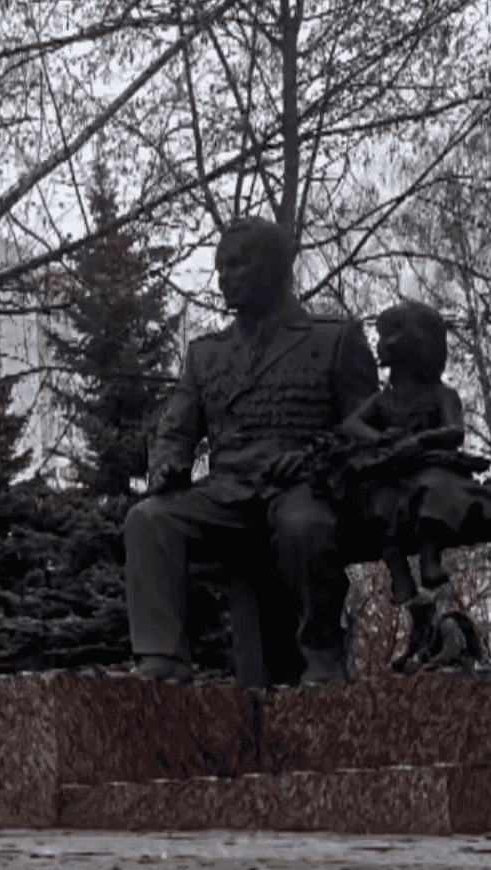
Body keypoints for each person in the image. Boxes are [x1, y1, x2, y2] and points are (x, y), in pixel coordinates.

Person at [123, 216, 378, 686]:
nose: (225, 277)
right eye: (221, 267)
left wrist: (316, 458)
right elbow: (175, 432)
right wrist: (167, 466)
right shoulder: (205, 354)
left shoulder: (333, 338)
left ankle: (321, 652)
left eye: (239, 265)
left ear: (276, 268)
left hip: (302, 484)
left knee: (304, 527)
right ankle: (163, 658)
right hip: (228, 493)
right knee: (149, 519)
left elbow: (369, 432)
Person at [334, 301, 491, 667]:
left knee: (431, 491)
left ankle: (431, 559)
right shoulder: (384, 400)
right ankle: (402, 580)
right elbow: (351, 426)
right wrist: (381, 440)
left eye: (388, 335)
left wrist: (420, 442)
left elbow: (455, 431)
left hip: (432, 469)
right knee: (375, 501)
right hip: (393, 475)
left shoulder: (440, 393)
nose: (379, 343)